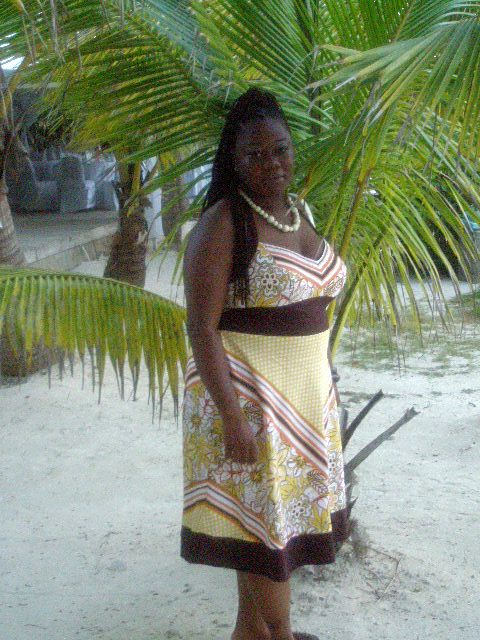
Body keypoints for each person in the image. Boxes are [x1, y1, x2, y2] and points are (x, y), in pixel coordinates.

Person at [181, 88, 348, 640]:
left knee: (263, 544)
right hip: (250, 412)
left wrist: (324, 379)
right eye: (254, 155)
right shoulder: (225, 223)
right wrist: (232, 418)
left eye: (280, 149)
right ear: (234, 160)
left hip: (301, 409)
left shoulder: (300, 212)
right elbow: (201, 327)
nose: (272, 164)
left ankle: (255, 633)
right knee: (268, 544)